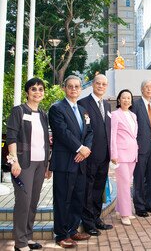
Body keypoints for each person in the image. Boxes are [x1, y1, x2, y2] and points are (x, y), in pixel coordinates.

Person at [6, 78, 51, 251]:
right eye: (34, 89)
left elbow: (46, 141)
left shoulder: (43, 114)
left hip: (40, 163)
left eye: (41, 89)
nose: (37, 92)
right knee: (23, 202)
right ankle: (20, 242)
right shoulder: (18, 111)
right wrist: (14, 161)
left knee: (33, 202)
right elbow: (11, 137)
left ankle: (28, 236)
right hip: (23, 163)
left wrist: (47, 165)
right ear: (27, 92)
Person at [49, 76, 93, 248]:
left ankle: (73, 230)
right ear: (64, 88)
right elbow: (62, 132)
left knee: (77, 197)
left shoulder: (83, 110)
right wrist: (79, 148)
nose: (74, 89)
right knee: (62, 199)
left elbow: (89, 132)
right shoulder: (56, 108)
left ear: (81, 88)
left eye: (77, 86)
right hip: (65, 161)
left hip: (81, 161)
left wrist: (86, 149)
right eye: (70, 86)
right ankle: (61, 234)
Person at [78, 74, 113, 235]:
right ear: (93, 84)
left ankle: (97, 218)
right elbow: (82, 131)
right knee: (88, 189)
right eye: (98, 83)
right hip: (90, 154)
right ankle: (88, 222)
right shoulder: (83, 103)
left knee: (99, 188)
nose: (101, 86)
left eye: (104, 84)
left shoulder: (107, 105)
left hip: (105, 155)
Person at [131, 79, 151, 217]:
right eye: (146, 87)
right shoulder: (135, 105)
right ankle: (139, 206)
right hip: (141, 147)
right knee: (140, 178)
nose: (149, 89)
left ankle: (149, 204)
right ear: (142, 89)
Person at [110, 89, 139, 226]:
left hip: (132, 154)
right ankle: (125, 214)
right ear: (119, 100)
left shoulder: (133, 115)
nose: (126, 100)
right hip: (121, 155)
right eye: (124, 98)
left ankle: (119, 209)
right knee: (124, 185)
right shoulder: (115, 115)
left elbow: (134, 135)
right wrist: (113, 154)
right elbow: (112, 136)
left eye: (129, 98)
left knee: (126, 183)